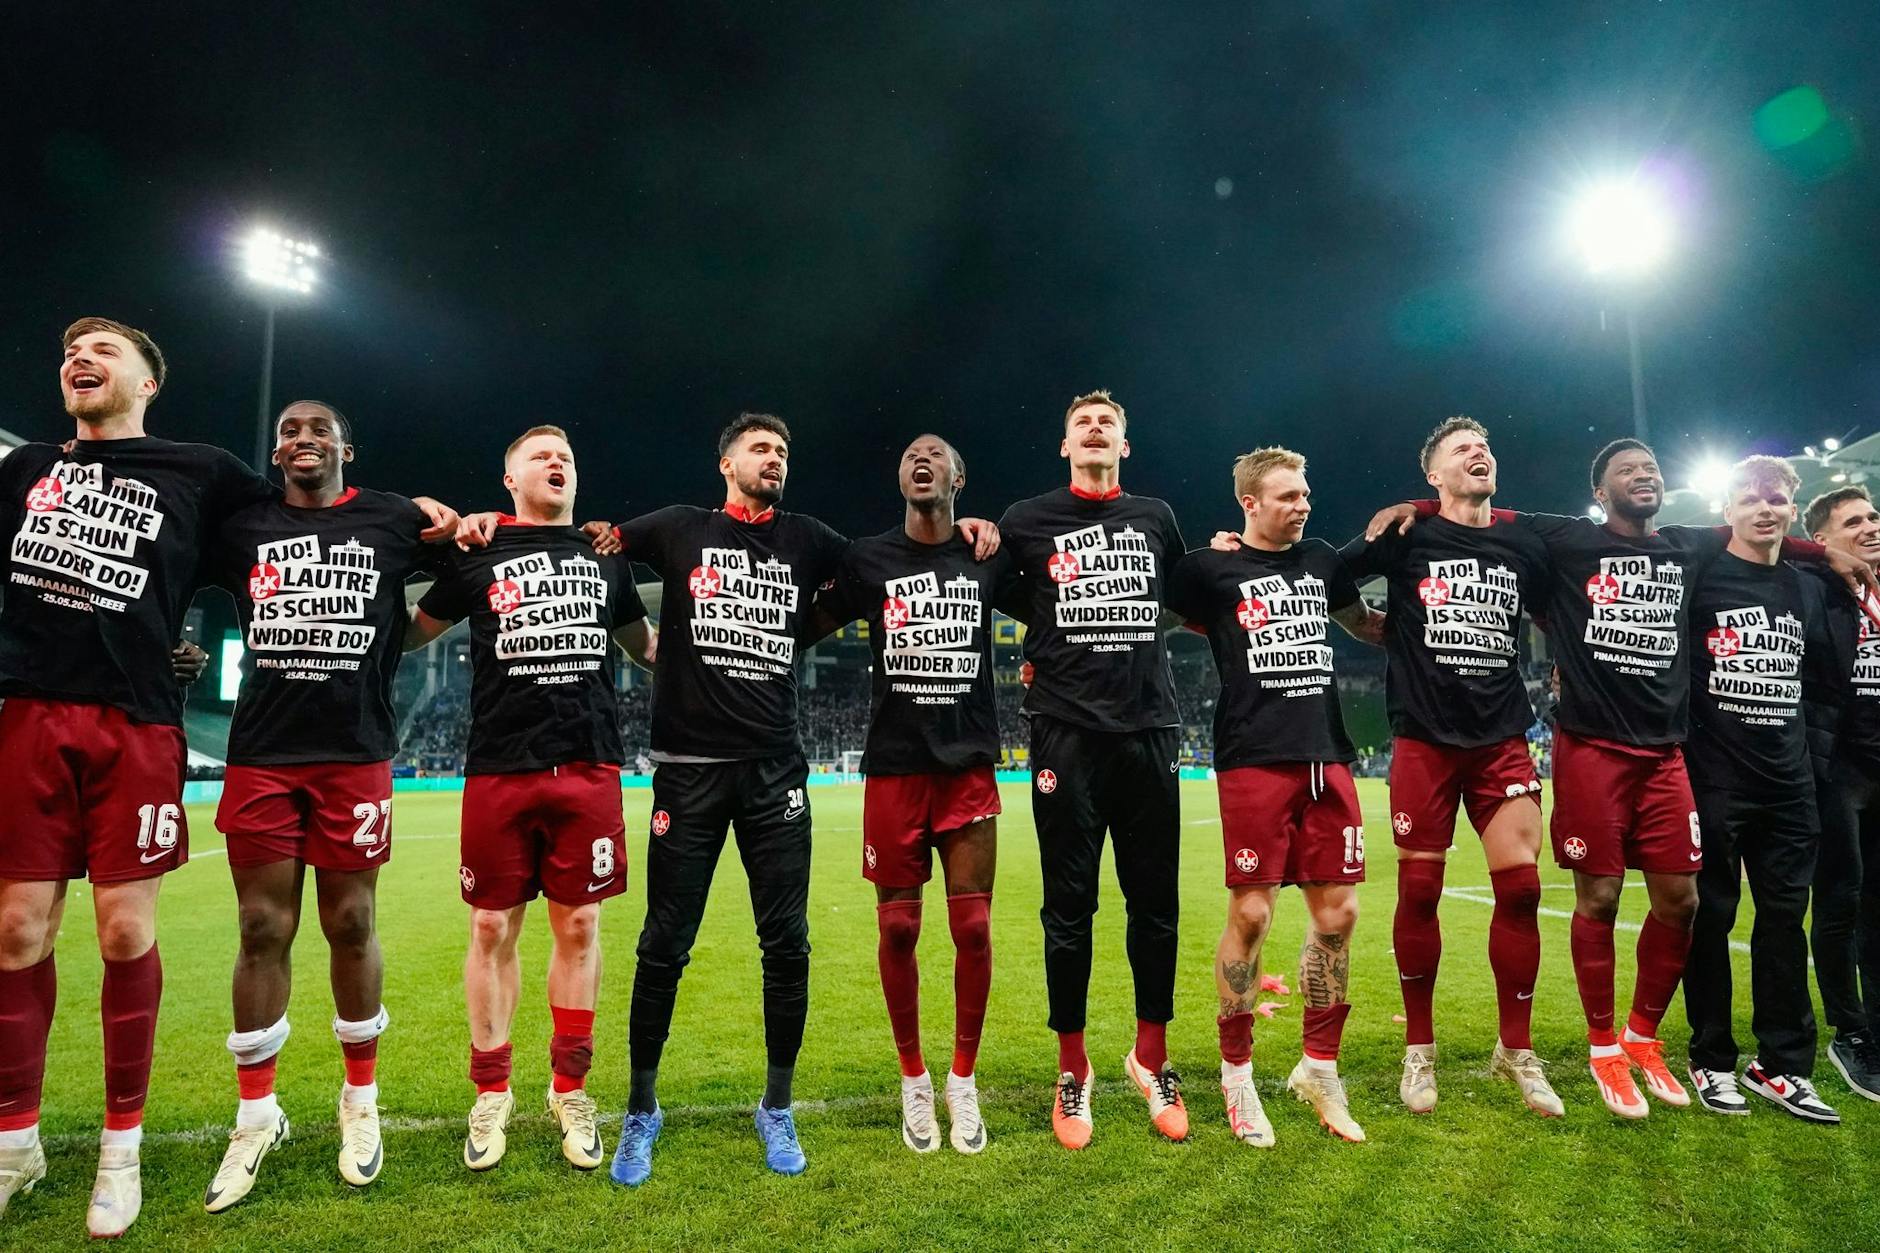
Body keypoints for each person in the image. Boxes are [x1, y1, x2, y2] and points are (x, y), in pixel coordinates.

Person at [1371, 437, 1872, 1117]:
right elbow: (1487, 514)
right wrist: (1422, 500)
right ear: (1600, 493)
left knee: (1682, 901)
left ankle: (1642, 1039)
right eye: (1626, 472)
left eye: (1651, 469)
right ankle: (1602, 1045)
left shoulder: (1685, 546)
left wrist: (1827, 549)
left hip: (1666, 753)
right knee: (1598, 897)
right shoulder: (1569, 538)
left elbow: (1760, 527)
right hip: (1589, 747)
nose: (1644, 476)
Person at [580, 412, 998, 1183]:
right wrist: (493, 528)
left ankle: (776, 1105)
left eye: (783, 451)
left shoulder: (809, 537)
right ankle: (642, 1109)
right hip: (688, 768)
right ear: (727, 460)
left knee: (788, 944)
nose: (775, 458)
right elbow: (595, 543)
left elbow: (892, 555)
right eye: (761, 448)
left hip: (775, 769)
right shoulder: (677, 528)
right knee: (664, 942)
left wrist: (965, 525)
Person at [0, 318, 276, 1236]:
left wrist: (423, 522)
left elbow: (290, 531)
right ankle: (15, 1142)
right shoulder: (23, 469)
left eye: (105, 350)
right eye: (70, 350)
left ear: (148, 383)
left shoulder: (202, 470)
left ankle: (122, 1149)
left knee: (123, 931)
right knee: (14, 931)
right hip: (29, 713)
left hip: (138, 721)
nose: (79, 358)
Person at [201, 400, 459, 1211]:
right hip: (263, 753)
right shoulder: (244, 523)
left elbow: (467, 564)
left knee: (350, 921)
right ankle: (255, 1116)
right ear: (275, 451)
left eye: (317, 429)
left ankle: (360, 1102)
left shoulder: (392, 517)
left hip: (355, 754)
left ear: (347, 445)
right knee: (260, 927)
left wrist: (403, 631)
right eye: (287, 429)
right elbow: (163, 567)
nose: (301, 438)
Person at [408, 425, 651, 1173]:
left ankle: (569, 1087)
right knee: (490, 927)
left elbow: (648, 647)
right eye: (542, 456)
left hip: (588, 764)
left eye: (568, 457)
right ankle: (492, 1088)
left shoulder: (603, 556)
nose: (558, 463)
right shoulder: (478, 549)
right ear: (508, 477)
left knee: (579, 924)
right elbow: (410, 635)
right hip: (500, 767)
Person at [1339, 418, 1559, 1118]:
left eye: (1486, 446)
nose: (1480, 452)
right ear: (1432, 473)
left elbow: (1576, 583)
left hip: (1500, 735)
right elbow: (1329, 570)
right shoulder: (1410, 534)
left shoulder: (1524, 537)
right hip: (1424, 738)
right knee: (1421, 892)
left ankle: (1515, 1050)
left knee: (1522, 890)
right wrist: (1358, 622)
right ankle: (1420, 1049)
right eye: (1462, 449)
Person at [1166, 447, 1383, 1145]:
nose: (1304, 504)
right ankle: (1237, 1078)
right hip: (1253, 756)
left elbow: (1366, 625)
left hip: (1329, 754)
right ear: (1250, 503)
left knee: (1339, 912)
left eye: (1306, 493)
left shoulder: (1322, 559)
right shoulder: (1209, 569)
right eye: (1288, 495)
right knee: (1253, 914)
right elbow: (1147, 616)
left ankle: (1319, 1067)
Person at [808, 434, 1012, 1154]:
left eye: (936, 453)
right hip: (894, 768)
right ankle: (913, 1077)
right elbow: (809, 623)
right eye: (909, 453)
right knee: (897, 929)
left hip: (968, 767)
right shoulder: (868, 558)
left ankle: (963, 1077)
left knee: (975, 930)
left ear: (959, 475)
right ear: (902, 476)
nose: (920, 457)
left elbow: (1055, 604)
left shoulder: (989, 554)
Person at [997, 390, 1189, 1149]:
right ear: (1064, 444)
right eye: (1082, 421)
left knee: (1156, 905)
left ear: (1125, 445)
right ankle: (1071, 1069)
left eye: (1109, 420)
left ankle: (1150, 1057)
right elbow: (1002, 588)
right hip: (1066, 736)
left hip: (1148, 730)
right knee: (1068, 908)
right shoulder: (1025, 520)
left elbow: (1182, 594)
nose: (1096, 427)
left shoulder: (1156, 518)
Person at [1682, 456, 1838, 1122]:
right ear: (1729, 510)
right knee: (1709, 919)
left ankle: (1783, 1065)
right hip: (1714, 777)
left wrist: (1812, 764)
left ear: (1792, 509)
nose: (1765, 508)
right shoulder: (1701, 574)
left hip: (1789, 786)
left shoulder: (1806, 589)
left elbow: (1823, 684)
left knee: (1783, 925)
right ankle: (1711, 1059)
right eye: (1751, 498)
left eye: (1776, 498)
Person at [1802, 484, 1880, 1101]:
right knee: (1840, 902)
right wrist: (1823, 561)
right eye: (1854, 521)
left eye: (1875, 515)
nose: (1872, 526)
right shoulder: (1813, 588)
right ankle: (1848, 1031)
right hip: (1838, 770)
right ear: (1823, 539)